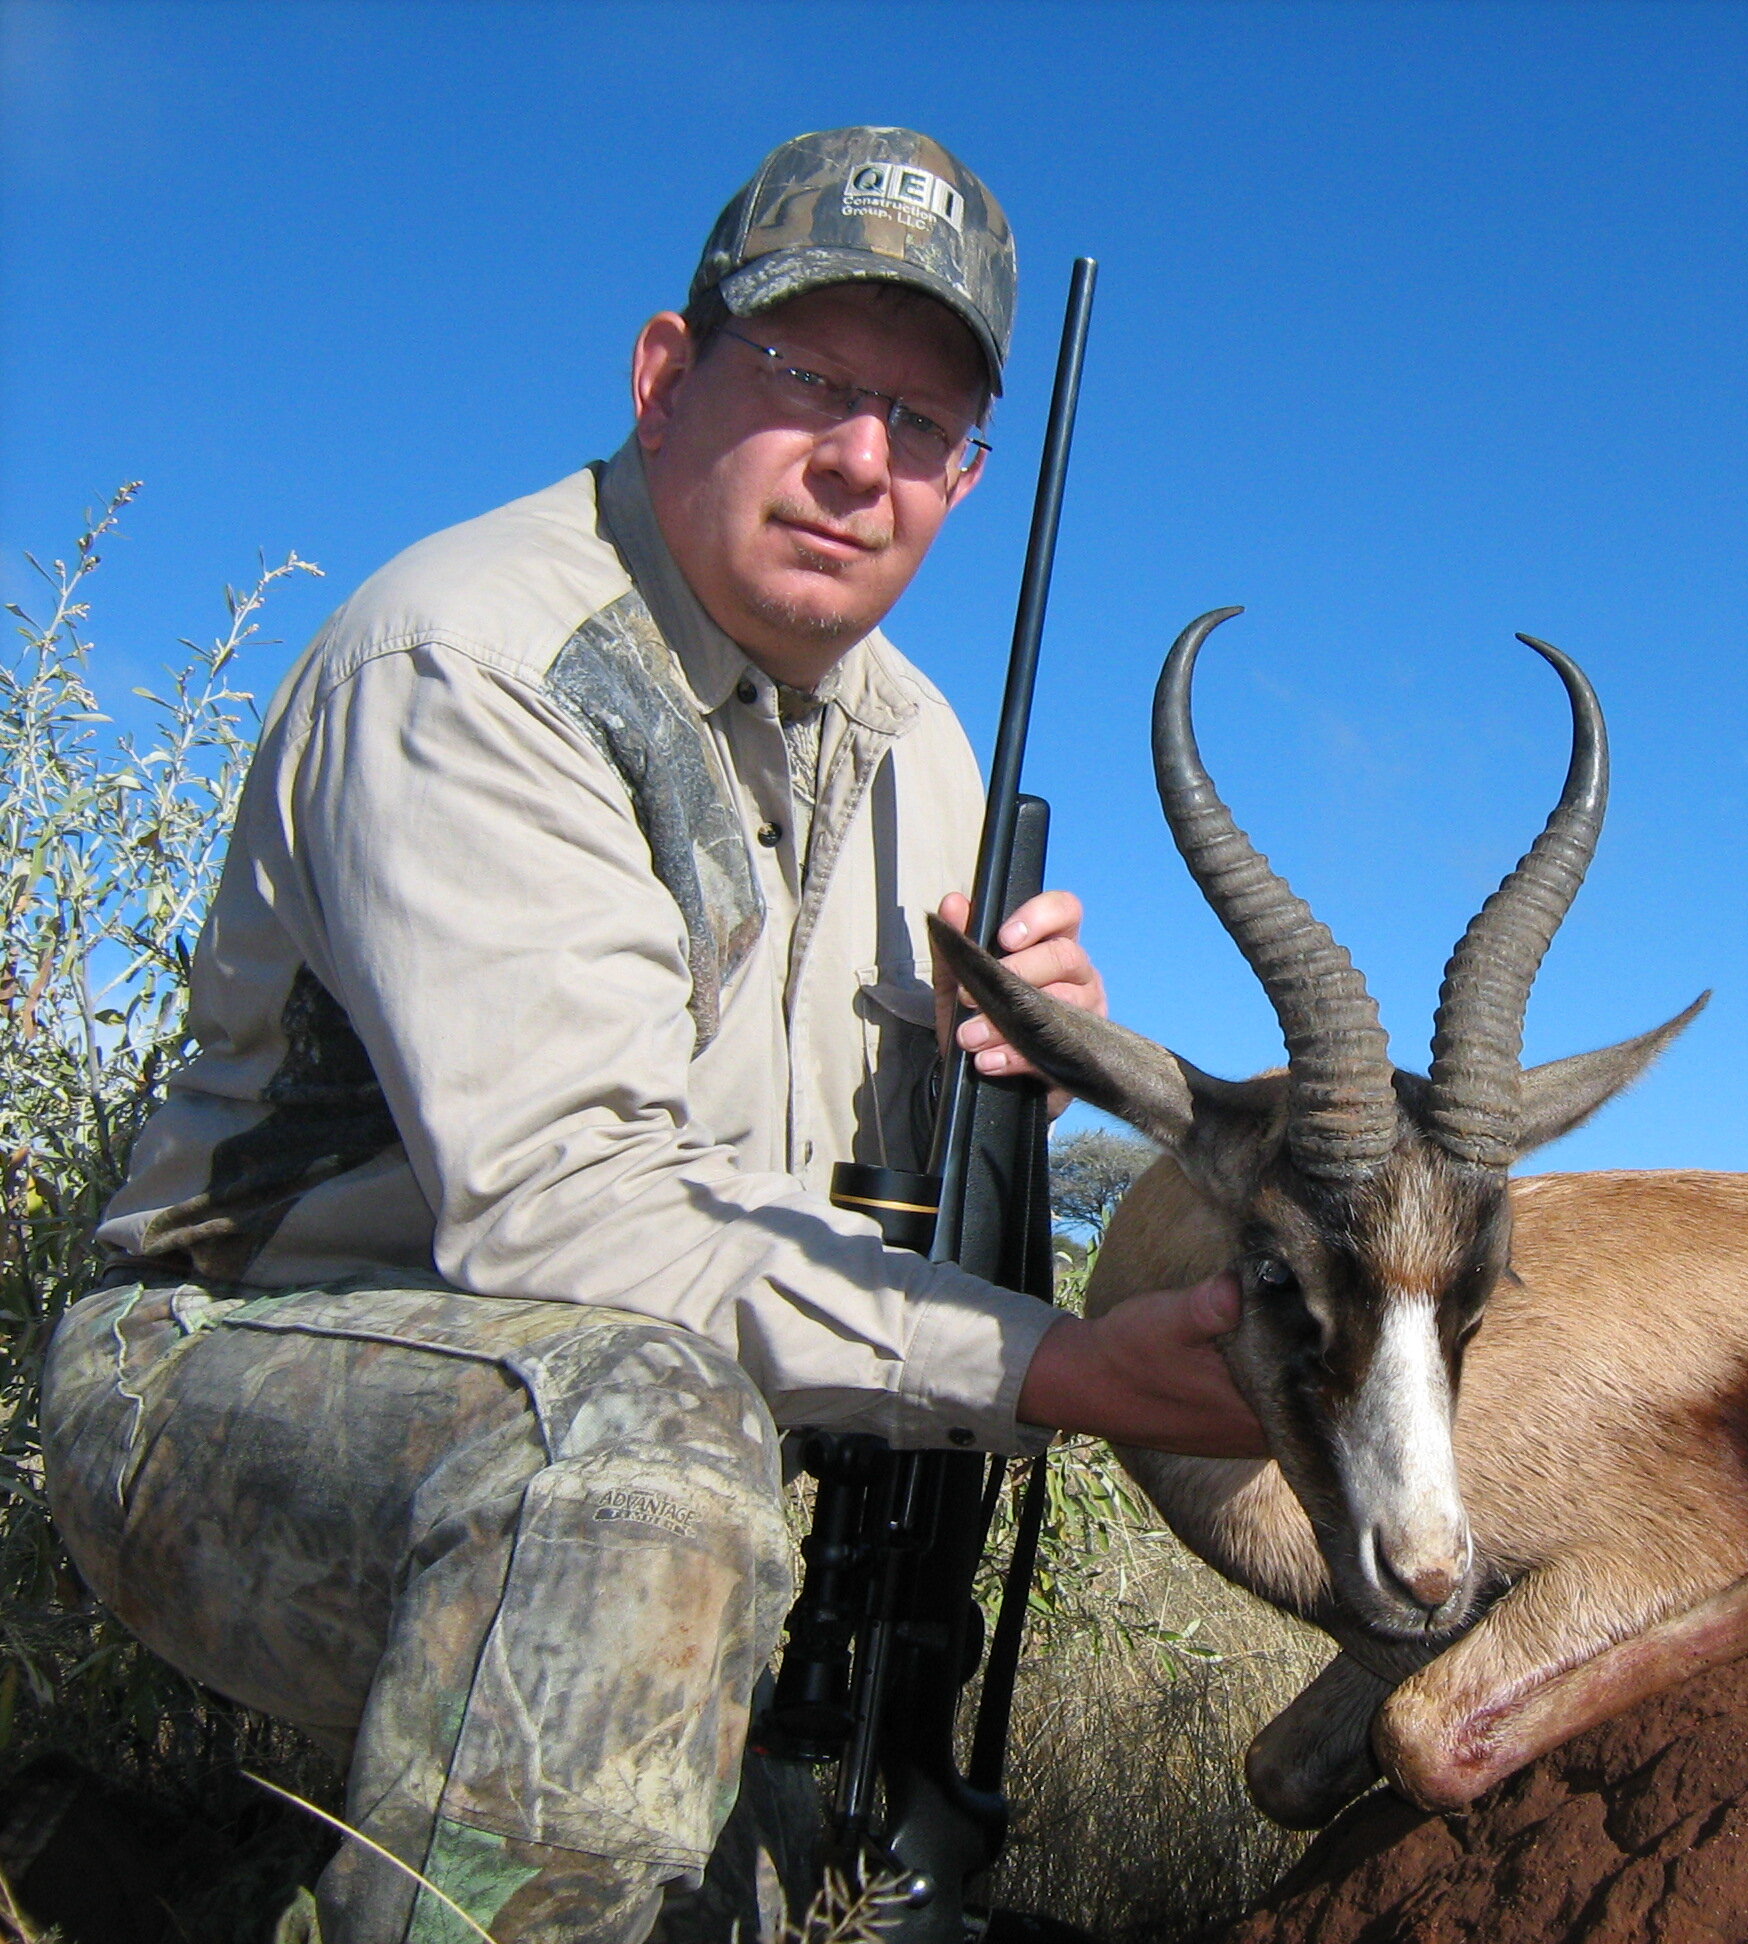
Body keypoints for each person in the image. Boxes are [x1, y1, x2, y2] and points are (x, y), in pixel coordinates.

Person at [40, 127, 1265, 1944]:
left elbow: (832, 1212)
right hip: (236, 1385)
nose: (865, 462)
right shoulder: (472, 664)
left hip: (649, 1429)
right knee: (637, 1466)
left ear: (969, 477)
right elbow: (567, 1212)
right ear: (665, 375)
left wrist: (1010, 1056)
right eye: (813, 382)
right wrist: (1058, 1371)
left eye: (924, 427)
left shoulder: (923, 749)